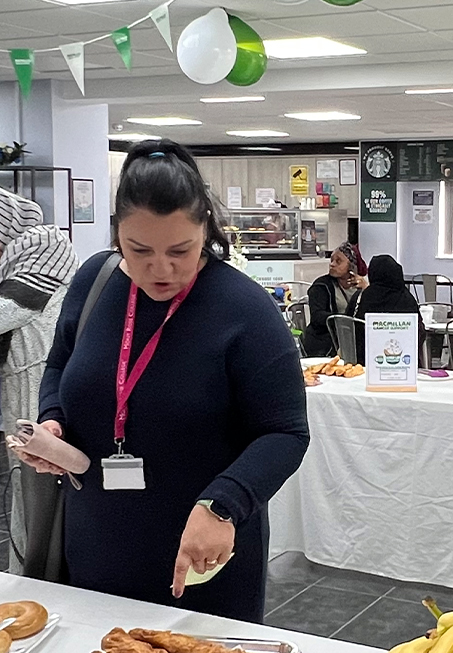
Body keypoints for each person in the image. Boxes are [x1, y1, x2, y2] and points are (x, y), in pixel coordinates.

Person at [20, 140, 309, 622]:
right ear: (117, 237)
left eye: (181, 250)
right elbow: (60, 365)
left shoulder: (244, 310)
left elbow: (284, 432)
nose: (160, 268)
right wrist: (54, 424)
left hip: (200, 557)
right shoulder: (95, 282)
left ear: (207, 232)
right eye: (139, 250)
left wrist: (223, 504)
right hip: (95, 542)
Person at [0, 182, 80, 580]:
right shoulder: (4, 263)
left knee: (41, 484)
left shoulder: (45, 250)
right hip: (21, 382)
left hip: (41, 385)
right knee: (25, 484)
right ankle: (30, 573)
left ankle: (46, 578)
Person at [301, 242, 367, 357]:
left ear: (351, 265)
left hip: (354, 341)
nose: (332, 264)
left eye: (338, 261)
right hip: (326, 343)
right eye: (331, 260)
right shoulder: (321, 285)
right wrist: (341, 321)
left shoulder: (360, 287)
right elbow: (317, 317)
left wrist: (367, 289)